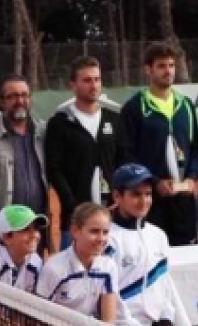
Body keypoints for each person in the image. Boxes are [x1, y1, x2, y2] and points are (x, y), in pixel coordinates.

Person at [107, 163, 181, 326]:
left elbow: (164, 285)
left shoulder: (159, 235)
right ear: (117, 197)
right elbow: (109, 297)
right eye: (135, 194)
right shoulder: (109, 238)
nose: (144, 200)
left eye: (148, 194)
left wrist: (167, 324)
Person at [46, 56, 133, 250]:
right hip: (76, 220)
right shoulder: (60, 123)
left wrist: (118, 198)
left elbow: (124, 162)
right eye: (86, 80)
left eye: (97, 79)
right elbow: (54, 169)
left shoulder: (114, 120)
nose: (93, 85)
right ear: (73, 85)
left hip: (111, 218)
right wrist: (75, 206)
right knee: (74, 275)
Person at [120, 43, 198, 247]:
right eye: (162, 66)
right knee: (153, 254)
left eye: (171, 65)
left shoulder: (186, 106)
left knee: (185, 255)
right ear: (148, 70)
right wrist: (154, 182)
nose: (168, 71)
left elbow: (196, 149)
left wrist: (192, 178)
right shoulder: (134, 107)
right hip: (150, 201)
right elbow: (126, 153)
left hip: (183, 201)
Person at [0, 75, 47, 245]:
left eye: (24, 95)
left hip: (36, 228)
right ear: (0, 102)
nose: (20, 100)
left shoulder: (44, 133)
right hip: (4, 230)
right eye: (13, 96)